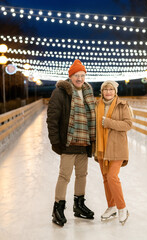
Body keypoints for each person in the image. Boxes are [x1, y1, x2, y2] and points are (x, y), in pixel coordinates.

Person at [47, 59, 96, 227]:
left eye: (82, 75)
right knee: (64, 176)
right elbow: (52, 118)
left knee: (82, 175)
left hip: (84, 142)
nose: (80, 78)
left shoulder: (88, 91)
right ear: (71, 76)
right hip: (68, 142)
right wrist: (55, 141)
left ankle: (79, 204)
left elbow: (92, 118)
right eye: (77, 75)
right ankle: (58, 208)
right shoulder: (61, 92)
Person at [95, 80, 132, 225]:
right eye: (105, 89)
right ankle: (111, 207)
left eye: (111, 89)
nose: (108, 92)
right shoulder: (97, 105)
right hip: (101, 147)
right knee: (105, 177)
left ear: (115, 92)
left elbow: (128, 124)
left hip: (117, 147)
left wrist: (109, 123)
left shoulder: (122, 105)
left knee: (112, 177)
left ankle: (122, 208)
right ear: (102, 92)